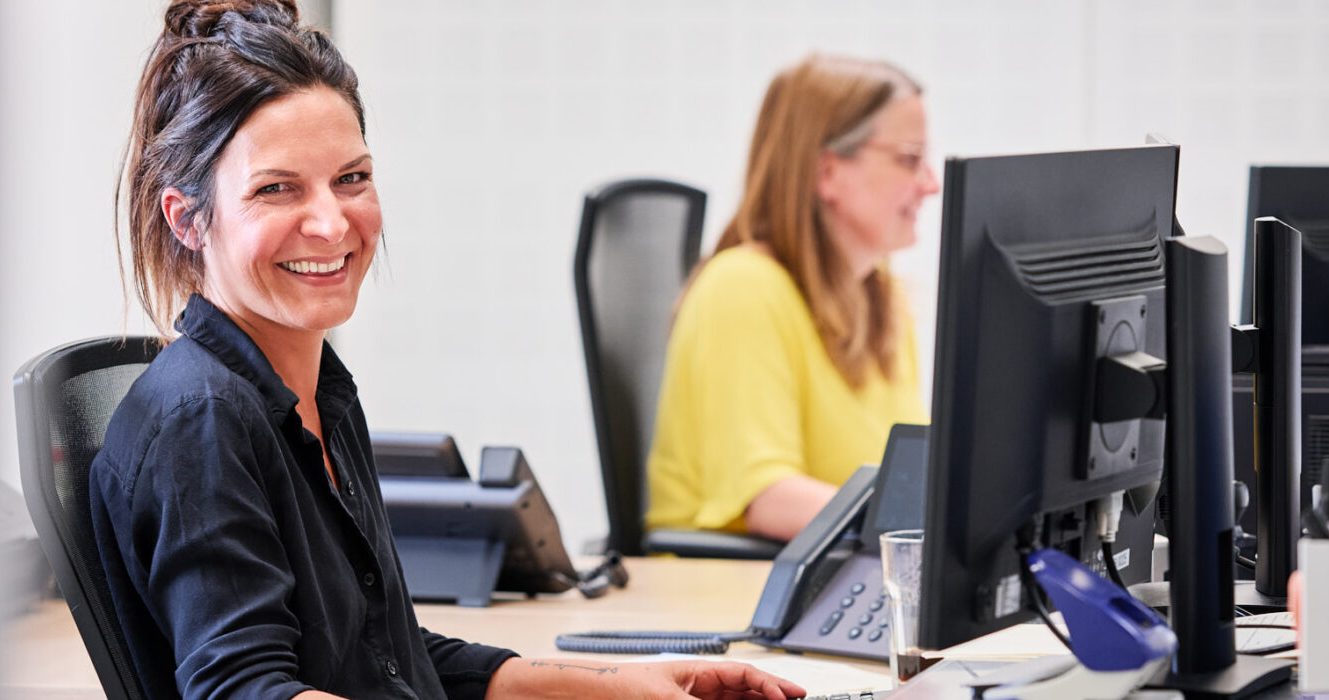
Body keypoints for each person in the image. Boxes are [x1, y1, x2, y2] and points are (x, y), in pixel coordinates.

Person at [90, 2, 808, 699]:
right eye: (277, 190)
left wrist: (620, 686)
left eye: (352, 179)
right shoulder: (200, 422)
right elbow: (245, 689)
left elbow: (388, 658)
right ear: (187, 220)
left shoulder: (319, 394)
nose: (331, 222)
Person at [645, 55, 940, 543]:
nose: (930, 184)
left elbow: (913, 482)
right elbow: (771, 499)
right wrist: (941, 528)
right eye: (909, 159)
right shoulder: (742, 288)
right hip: (729, 591)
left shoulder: (884, 299)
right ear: (827, 172)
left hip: (841, 582)